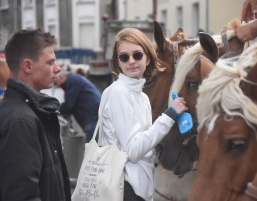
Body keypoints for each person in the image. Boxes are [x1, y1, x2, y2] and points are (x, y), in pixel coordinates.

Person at [98, 28, 188, 201]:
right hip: (124, 189)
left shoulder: (141, 97)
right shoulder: (119, 92)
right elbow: (133, 151)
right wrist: (170, 115)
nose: (131, 61)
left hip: (138, 190)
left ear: (147, 57)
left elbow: (143, 144)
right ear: (118, 62)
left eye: (137, 55)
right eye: (124, 57)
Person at [0, 28, 71, 201]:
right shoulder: (21, 120)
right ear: (28, 66)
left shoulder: (28, 111)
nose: (58, 68)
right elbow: (21, 194)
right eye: (50, 62)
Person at [55, 71, 102, 143]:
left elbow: (69, 105)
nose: (58, 85)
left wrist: (55, 110)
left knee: (92, 147)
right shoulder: (75, 79)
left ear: (61, 77)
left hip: (92, 117)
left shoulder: (71, 81)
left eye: (56, 82)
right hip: (94, 115)